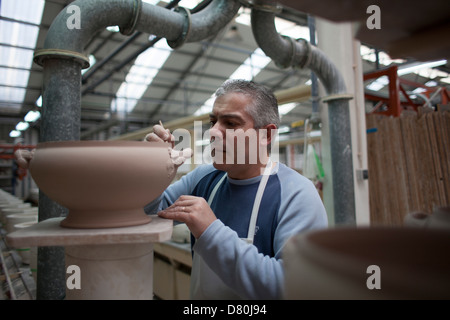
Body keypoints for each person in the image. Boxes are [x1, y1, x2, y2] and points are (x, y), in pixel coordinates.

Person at [144, 79, 328, 300]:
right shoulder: (203, 179)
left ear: (266, 136)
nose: (213, 132)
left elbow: (295, 289)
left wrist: (211, 231)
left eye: (230, 124)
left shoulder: (296, 194)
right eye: (213, 121)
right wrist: (153, 176)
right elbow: (146, 217)